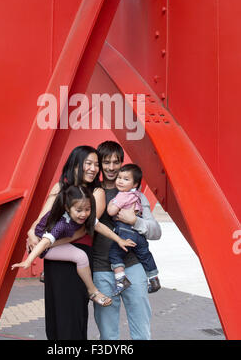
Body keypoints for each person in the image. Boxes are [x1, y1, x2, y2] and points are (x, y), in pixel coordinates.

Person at [26, 145, 109, 340]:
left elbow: (83, 228)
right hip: (55, 259)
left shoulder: (97, 192)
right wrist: (31, 233)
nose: (93, 168)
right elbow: (42, 218)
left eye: (96, 164)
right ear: (75, 164)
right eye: (88, 163)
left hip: (77, 258)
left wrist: (47, 244)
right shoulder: (59, 188)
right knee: (55, 315)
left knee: (72, 316)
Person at [12, 185, 136, 307]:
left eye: (87, 209)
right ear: (67, 208)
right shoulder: (61, 224)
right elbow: (44, 243)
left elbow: (99, 227)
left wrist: (119, 240)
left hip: (56, 240)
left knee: (80, 254)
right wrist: (28, 261)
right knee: (80, 256)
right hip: (44, 247)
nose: (83, 214)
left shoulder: (86, 215)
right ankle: (93, 292)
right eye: (79, 210)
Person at [92, 141, 162, 340]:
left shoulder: (134, 194)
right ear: (100, 163)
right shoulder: (91, 191)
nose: (112, 167)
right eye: (106, 162)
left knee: (141, 331)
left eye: (116, 162)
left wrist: (135, 221)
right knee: (108, 334)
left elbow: (156, 232)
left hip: (132, 267)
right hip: (101, 269)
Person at [107, 163, 161, 296]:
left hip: (126, 232)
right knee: (145, 254)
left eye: (126, 179)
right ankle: (154, 278)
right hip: (139, 236)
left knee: (115, 253)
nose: (120, 181)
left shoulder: (122, 195)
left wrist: (111, 203)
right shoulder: (137, 195)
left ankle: (121, 280)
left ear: (135, 184)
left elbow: (111, 211)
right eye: (119, 177)